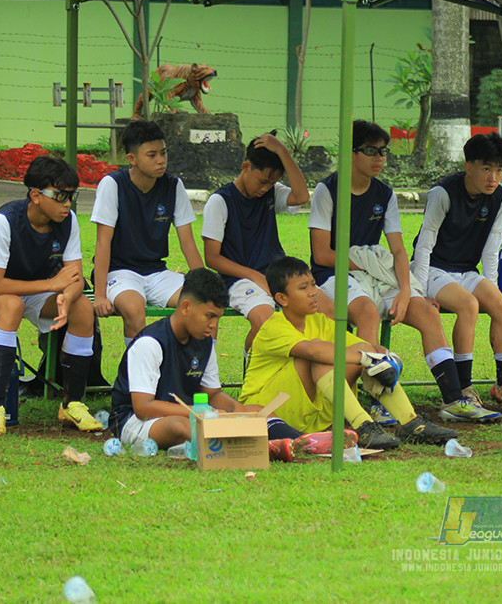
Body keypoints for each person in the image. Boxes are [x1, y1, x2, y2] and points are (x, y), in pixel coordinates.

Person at [308, 120, 501, 423]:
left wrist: (407, 290)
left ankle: (454, 399)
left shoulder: (384, 193)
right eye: (371, 151)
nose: (379, 158)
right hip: (332, 274)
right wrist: (368, 263)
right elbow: (321, 253)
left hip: (373, 273)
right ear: (351, 153)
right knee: (368, 313)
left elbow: (398, 251)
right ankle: (370, 401)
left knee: (426, 311)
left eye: (383, 151)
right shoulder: (327, 190)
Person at [109, 268, 340, 461]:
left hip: (192, 413)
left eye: (217, 317)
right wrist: (202, 413)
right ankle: (256, 447)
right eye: (209, 316)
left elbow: (213, 394)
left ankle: (302, 441)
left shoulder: (204, 341)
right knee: (179, 426)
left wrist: (236, 411)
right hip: (136, 422)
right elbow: (143, 407)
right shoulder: (150, 343)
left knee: (256, 410)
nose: (213, 324)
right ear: (186, 307)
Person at [241, 256, 459, 448]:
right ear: (282, 299)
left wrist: (384, 356)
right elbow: (313, 350)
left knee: (358, 349)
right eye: (303, 288)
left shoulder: (319, 321)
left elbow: (364, 347)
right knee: (322, 354)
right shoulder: (273, 326)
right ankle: (363, 425)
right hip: (270, 409)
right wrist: (368, 360)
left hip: (313, 413)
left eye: (313, 284)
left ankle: (410, 422)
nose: (313, 292)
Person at [411, 132, 502, 414]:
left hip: (466, 270)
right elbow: (425, 243)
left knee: (499, 304)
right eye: (486, 168)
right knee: (468, 305)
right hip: (434, 269)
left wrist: (491, 286)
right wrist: (418, 290)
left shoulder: (499, 196)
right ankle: (464, 387)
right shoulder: (443, 193)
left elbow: (492, 247)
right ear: (469, 166)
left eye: (499, 170)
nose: (494, 177)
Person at [0, 155, 102, 435]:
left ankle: (72, 403)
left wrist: (67, 297)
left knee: (83, 307)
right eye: (60, 195)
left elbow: (73, 276)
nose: (67, 203)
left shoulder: (68, 220)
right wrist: (51, 286)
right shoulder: (4, 220)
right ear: (35, 195)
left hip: (38, 288)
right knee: (11, 305)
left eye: (72, 195)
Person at [91, 120, 203, 344]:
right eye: (152, 155)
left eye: (163, 153)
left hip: (156, 272)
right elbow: (103, 242)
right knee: (134, 309)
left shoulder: (173, 186)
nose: (161, 160)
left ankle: (190, 374)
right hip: (119, 272)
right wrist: (101, 295)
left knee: (200, 305)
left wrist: (204, 284)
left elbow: (188, 243)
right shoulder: (112, 184)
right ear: (132, 159)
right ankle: (137, 377)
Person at [201, 131, 313, 354]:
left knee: (318, 310)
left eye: (271, 183)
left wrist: (282, 151)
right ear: (245, 167)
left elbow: (301, 196)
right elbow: (212, 258)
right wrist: (255, 276)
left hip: (275, 275)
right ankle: (250, 363)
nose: (265, 188)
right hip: (238, 280)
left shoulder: (272, 192)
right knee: (266, 320)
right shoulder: (220, 201)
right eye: (262, 181)